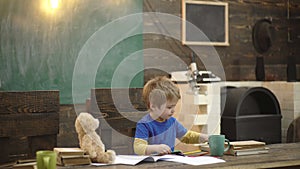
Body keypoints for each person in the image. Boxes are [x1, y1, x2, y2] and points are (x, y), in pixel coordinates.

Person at [133, 76, 208, 155]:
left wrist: (203, 137)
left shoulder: (172, 122)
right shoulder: (145, 124)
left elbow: (186, 136)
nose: (173, 110)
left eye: (174, 106)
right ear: (153, 106)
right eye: (169, 107)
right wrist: (156, 148)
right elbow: (138, 148)